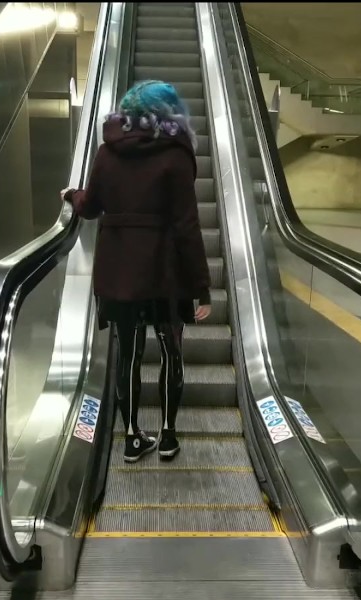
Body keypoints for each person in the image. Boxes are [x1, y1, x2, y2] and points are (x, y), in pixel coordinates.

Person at [62, 80, 212, 463]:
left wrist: (71, 195)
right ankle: (167, 436)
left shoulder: (107, 153)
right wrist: (201, 287)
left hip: (118, 272)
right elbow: (187, 225)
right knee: (169, 348)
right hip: (164, 272)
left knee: (127, 352)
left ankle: (130, 438)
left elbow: (91, 206)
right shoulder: (176, 156)